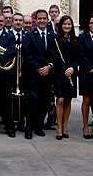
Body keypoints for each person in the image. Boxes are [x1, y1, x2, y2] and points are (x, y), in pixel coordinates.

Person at [22, 9, 59, 139]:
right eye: (40, 19)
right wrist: (38, 68)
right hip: (33, 74)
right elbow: (27, 55)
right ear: (35, 20)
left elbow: (55, 55)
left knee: (44, 102)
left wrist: (49, 67)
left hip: (47, 75)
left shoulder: (52, 36)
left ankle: (38, 127)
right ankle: (29, 128)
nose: (42, 21)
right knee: (32, 102)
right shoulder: (29, 36)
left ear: (47, 20)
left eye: (44, 18)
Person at [53, 15, 78, 140]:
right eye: (64, 24)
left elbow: (77, 57)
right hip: (59, 73)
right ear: (60, 26)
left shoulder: (75, 40)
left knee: (68, 100)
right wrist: (62, 69)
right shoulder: (55, 39)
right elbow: (53, 56)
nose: (67, 26)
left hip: (71, 73)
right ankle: (58, 127)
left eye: (69, 24)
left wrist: (73, 68)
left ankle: (65, 126)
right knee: (60, 99)